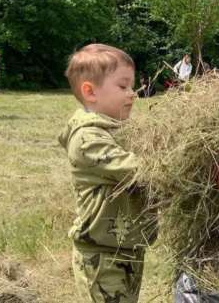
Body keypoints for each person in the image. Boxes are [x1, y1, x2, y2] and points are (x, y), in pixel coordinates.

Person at [59, 44, 154, 303]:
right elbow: (141, 170)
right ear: (90, 92)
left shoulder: (116, 131)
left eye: (132, 86)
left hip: (127, 248)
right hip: (101, 256)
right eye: (123, 87)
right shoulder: (88, 139)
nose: (132, 94)